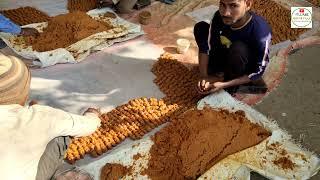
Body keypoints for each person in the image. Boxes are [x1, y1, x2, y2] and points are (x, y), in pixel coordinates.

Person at [0, 53, 101, 180]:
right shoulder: (39, 116)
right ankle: (63, 175)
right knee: (60, 136)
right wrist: (93, 114)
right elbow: (88, 126)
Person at [194, 0, 271, 94]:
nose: (226, 13)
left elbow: (259, 71)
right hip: (225, 56)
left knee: (238, 48)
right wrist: (203, 76)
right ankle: (218, 74)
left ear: (247, 4)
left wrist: (223, 84)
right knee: (201, 27)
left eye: (233, 6)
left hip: (241, 66)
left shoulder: (260, 31)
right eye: (222, 4)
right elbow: (208, 45)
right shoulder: (219, 16)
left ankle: (226, 79)